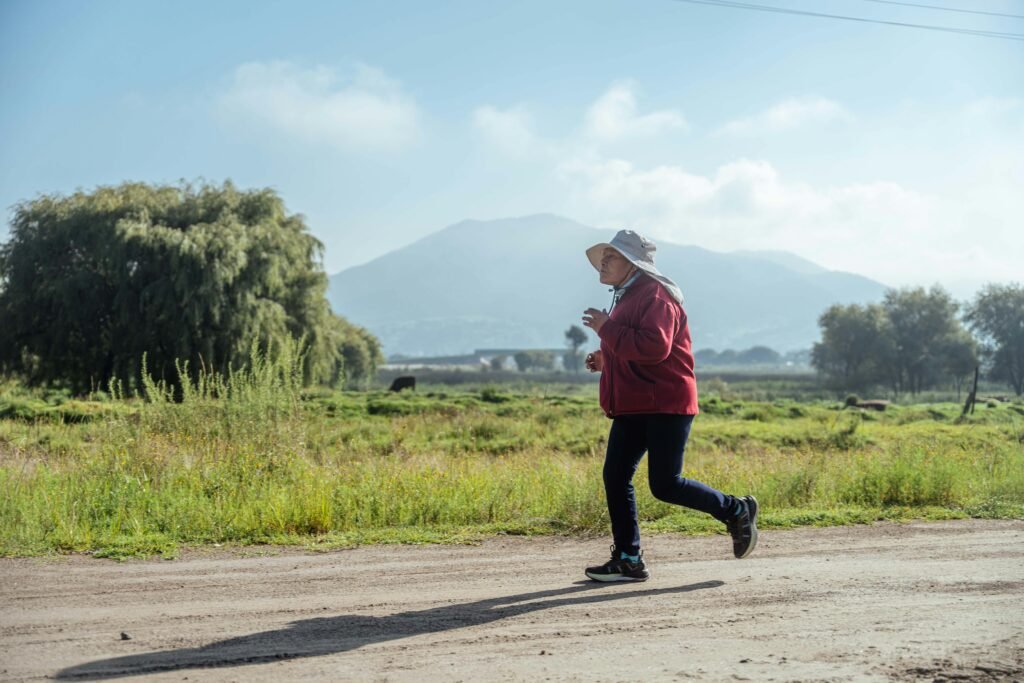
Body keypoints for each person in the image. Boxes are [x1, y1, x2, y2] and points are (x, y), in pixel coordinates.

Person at [580, 229, 758, 582]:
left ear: (633, 263)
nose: (603, 261)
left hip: (665, 402)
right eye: (604, 256)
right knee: (615, 476)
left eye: (611, 256)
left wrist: (607, 330)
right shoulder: (628, 296)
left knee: (665, 484)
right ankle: (629, 558)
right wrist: (608, 359)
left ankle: (736, 509)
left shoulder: (656, 295)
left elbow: (654, 349)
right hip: (637, 403)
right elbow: (640, 349)